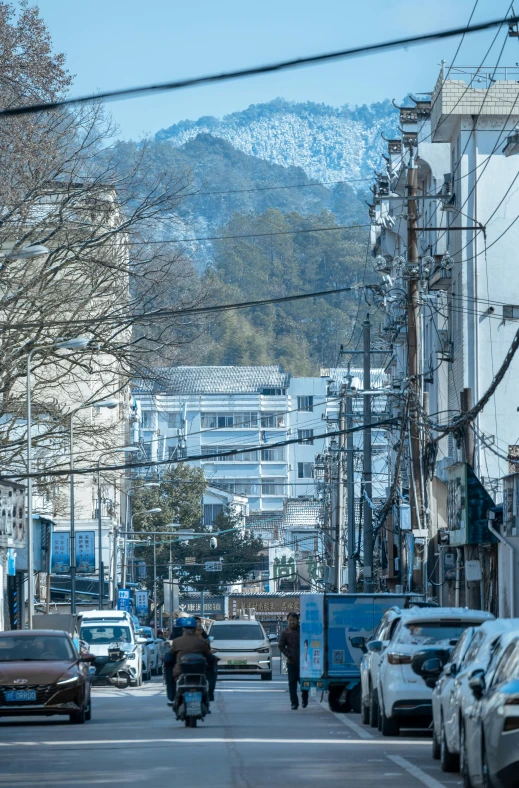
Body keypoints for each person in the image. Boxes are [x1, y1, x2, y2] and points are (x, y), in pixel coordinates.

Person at [279, 612, 309, 710]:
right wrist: (288, 655)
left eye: (294, 620)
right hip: (291, 662)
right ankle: (294, 703)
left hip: (303, 662)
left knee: (304, 683)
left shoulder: (303, 631)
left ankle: (305, 698)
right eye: (290, 620)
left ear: (297, 620)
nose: (292, 622)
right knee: (292, 684)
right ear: (287, 620)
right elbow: (281, 645)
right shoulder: (285, 632)